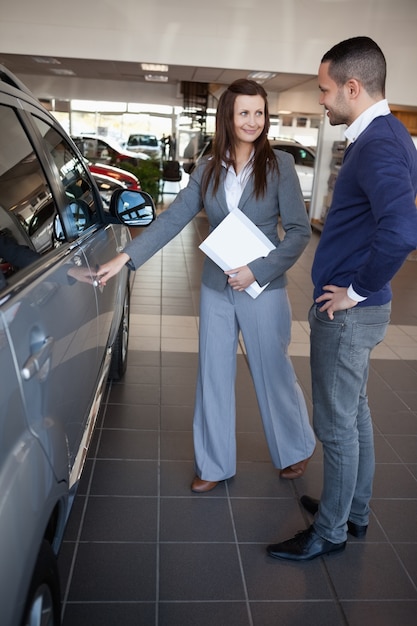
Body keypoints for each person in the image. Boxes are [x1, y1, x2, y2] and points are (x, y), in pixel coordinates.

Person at [97, 78, 316, 492]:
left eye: (259, 112)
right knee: (212, 374)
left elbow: (300, 233)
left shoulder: (280, 165)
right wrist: (126, 257)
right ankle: (213, 463)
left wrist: (258, 270)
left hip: (261, 287)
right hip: (217, 286)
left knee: (272, 371)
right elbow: (175, 216)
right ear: (228, 118)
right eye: (244, 113)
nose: (253, 121)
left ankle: (295, 446)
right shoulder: (208, 168)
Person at [267, 36, 417, 562]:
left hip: (349, 312)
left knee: (335, 425)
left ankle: (330, 531)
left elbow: (401, 231)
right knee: (353, 414)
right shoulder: (388, 135)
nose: (322, 101)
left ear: (353, 87)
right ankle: (352, 510)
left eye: (326, 90)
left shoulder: (378, 143)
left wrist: (354, 290)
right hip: (360, 308)